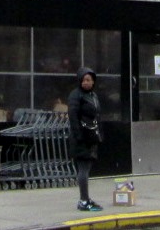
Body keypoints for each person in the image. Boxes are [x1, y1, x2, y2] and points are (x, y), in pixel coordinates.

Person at [67, 66, 103, 213]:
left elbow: (97, 115)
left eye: (90, 80)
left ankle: (86, 198)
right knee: (83, 168)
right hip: (81, 138)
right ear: (80, 80)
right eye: (84, 80)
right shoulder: (76, 95)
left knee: (87, 168)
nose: (87, 82)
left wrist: (99, 134)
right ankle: (83, 200)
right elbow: (73, 116)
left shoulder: (93, 96)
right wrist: (79, 136)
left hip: (91, 137)